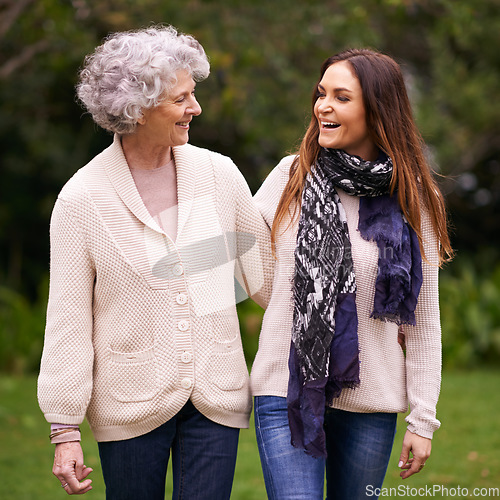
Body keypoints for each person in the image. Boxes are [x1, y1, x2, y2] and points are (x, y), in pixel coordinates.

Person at [37, 26, 272, 500]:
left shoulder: (218, 174)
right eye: (181, 99)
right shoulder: (82, 198)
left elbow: (266, 278)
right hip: (129, 401)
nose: (196, 109)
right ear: (137, 108)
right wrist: (64, 430)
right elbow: (68, 320)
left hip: (215, 395)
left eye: (194, 94)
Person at [250, 48, 454, 500]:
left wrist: (423, 420)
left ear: (376, 110)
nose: (323, 106)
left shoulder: (412, 197)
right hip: (286, 390)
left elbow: (422, 320)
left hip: (371, 403)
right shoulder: (291, 176)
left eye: (341, 97)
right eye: (321, 94)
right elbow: (241, 262)